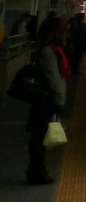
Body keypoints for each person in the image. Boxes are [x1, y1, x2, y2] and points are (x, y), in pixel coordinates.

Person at [26, 17, 68, 185]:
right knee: (39, 138)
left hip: (44, 101)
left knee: (40, 137)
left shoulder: (47, 49)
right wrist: (59, 102)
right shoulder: (49, 52)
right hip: (46, 102)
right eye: (63, 29)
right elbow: (54, 80)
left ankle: (36, 170)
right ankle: (36, 172)